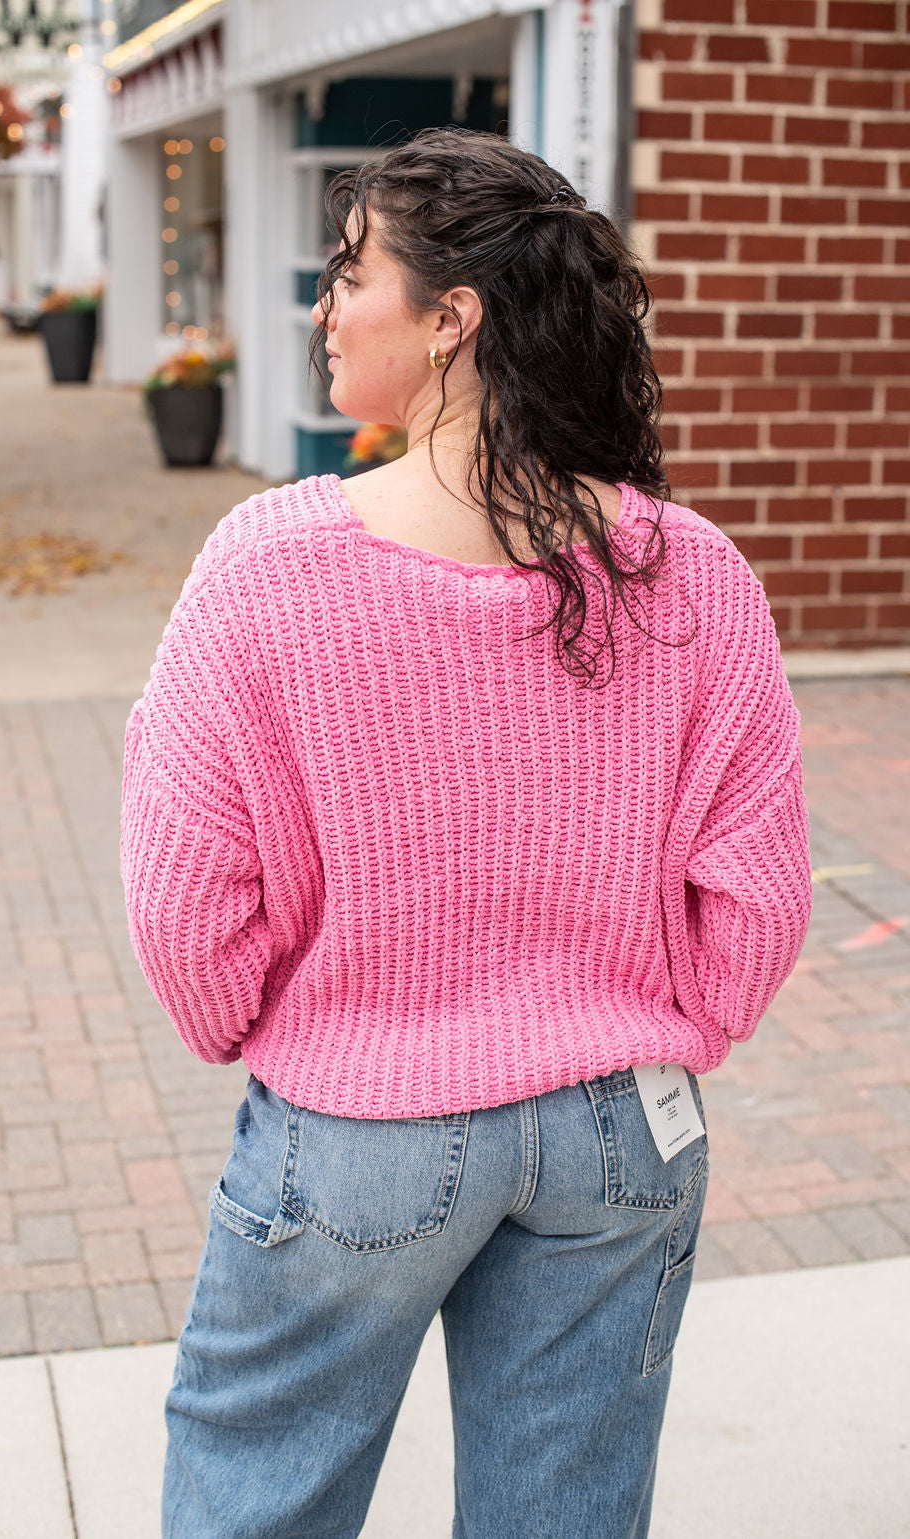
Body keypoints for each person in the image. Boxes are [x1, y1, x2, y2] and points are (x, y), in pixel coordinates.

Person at [120, 127, 813, 1539]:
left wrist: (281, 1026)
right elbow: (756, 898)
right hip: (623, 1127)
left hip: (360, 1122)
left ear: (454, 319)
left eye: (347, 273)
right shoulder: (696, 570)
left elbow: (189, 903)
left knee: (258, 1496)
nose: (322, 308)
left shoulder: (270, 564)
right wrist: (650, 1026)